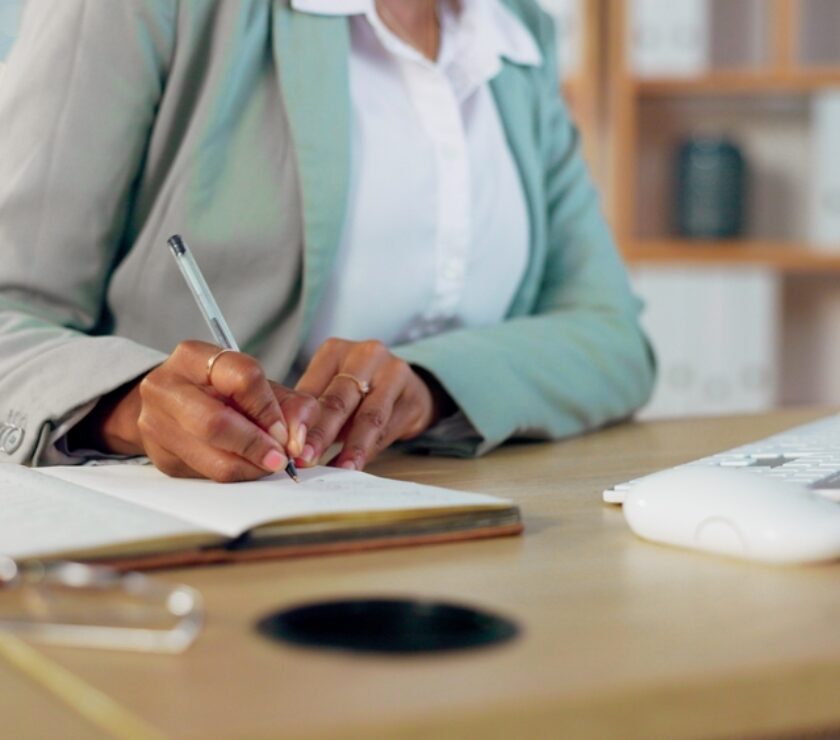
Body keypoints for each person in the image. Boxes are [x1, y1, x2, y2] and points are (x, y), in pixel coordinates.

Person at [0, 0, 655, 482]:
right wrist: (133, 404)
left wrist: (427, 386)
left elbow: (611, 336)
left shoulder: (516, 32)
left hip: (458, 532)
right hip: (197, 545)